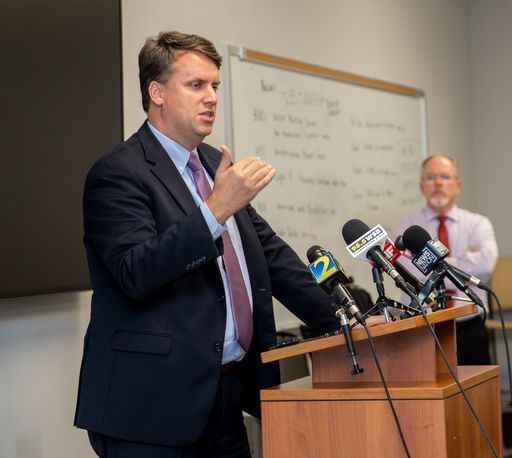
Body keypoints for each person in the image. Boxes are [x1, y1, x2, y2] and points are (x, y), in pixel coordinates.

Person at [73, 31, 339, 457]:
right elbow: (136, 272)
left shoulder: (215, 164)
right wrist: (214, 211)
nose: (211, 97)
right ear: (156, 92)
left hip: (226, 397)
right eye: (196, 85)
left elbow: (269, 256)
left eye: (215, 85)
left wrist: (343, 320)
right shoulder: (117, 174)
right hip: (149, 411)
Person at [395, 154, 498, 365]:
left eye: (445, 177)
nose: (439, 183)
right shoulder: (407, 227)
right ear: (422, 186)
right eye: (431, 178)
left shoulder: (478, 223)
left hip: (470, 322)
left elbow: (486, 265)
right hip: (422, 324)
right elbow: (406, 273)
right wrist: (463, 261)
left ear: (457, 185)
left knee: (476, 392)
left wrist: (432, 265)